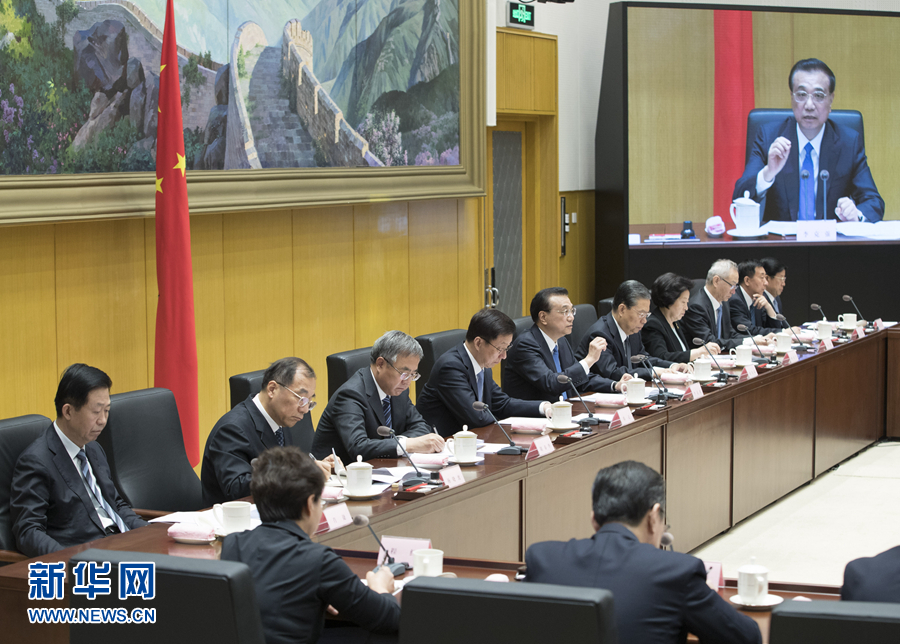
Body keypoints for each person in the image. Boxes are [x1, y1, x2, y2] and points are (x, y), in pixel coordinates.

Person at [524, 461, 761, 644]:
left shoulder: (543, 558)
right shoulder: (678, 572)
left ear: (594, 519)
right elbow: (746, 638)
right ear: (653, 517)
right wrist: (707, 597)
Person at [221, 447, 400, 644]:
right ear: (309, 505)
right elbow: (388, 618)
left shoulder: (232, 544)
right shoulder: (320, 560)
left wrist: (316, 595)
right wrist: (381, 587)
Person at [10, 364, 147, 557]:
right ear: (68, 412)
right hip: (87, 556)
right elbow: (28, 532)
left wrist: (150, 532)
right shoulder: (36, 462)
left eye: (107, 410)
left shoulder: (93, 448)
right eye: (96, 411)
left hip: (123, 544)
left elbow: (115, 504)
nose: (103, 420)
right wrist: (72, 560)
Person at [733, 58, 883, 223]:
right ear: (792, 98)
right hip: (781, 239)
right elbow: (740, 197)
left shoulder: (848, 143)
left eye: (819, 96)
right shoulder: (769, 137)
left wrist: (857, 214)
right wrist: (768, 173)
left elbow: (874, 202)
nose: (809, 105)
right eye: (801, 95)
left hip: (830, 239)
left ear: (831, 100)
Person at [201, 357, 332, 506]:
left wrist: (313, 466)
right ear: (272, 389)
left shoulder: (280, 419)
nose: (305, 409)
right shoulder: (232, 429)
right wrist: (299, 472)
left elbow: (283, 467)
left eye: (309, 401)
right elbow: (238, 489)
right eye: (301, 398)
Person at [417, 308, 551, 437]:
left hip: (474, 439)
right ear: (478, 343)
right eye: (500, 349)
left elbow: (501, 403)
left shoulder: (482, 363)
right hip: (445, 443)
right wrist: (518, 426)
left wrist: (543, 407)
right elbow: (477, 417)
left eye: (507, 348)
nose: (504, 356)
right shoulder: (450, 367)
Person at [312, 331, 444, 460]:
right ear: (380, 364)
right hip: (339, 471)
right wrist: (407, 445)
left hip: (383, 467)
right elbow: (358, 447)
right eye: (404, 373)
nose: (408, 382)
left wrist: (399, 442)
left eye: (413, 374)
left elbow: (421, 427)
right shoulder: (350, 395)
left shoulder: (398, 389)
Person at [503, 288, 629, 402]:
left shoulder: (561, 340)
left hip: (565, 412)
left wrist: (614, 385)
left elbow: (578, 379)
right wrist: (589, 359)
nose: (571, 317)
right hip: (536, 416)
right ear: (543, 317)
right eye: (564, 311)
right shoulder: (525, 345)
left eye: (572, 311)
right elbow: (551, 383)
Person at [576, 280, 690, 381]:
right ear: (622, 309)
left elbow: (644, 359)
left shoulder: (632, 330)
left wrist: (671, 366)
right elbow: (613, 373)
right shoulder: (600, 334)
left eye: (646, 315)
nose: (644, 321)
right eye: (641, 314)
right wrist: (653, 372)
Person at [682, 259, 765, 352]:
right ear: (716, 281)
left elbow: (730, 334)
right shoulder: (696, 307)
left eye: (735, 286)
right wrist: (747, 342)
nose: (734, 292)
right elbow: (710, 342)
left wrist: (754, 340)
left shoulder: (724, 302)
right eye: (732, 285)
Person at [642, 273, 721, 364]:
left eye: (687, 302)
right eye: (683, 302)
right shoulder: (653, 324)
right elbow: (661, 357)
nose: (686, 308)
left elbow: (682, 353)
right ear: (669, 299)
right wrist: (697, 352)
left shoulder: (676, 322)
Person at [728, 260, 782, 336]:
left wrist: (769, 307)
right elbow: (749, 330)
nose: (766, 283)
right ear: (747, 281)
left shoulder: (758, 299)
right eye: (762, 278)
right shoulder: (734, 300)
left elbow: (772, 328)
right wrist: (782, 332)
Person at [759, 257, 788, 326]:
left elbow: (782, 324)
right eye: (781, 279)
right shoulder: (760, 300)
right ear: (767, 278)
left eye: (784, 279)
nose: (783, 284)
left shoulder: (776, 298)